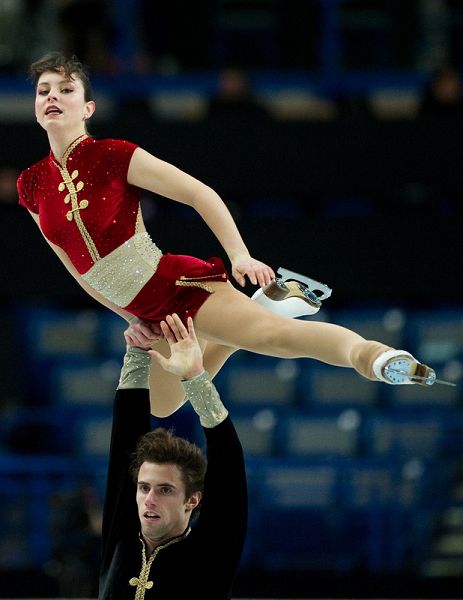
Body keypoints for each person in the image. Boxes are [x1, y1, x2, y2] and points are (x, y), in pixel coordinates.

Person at [17, 52, 439, 418]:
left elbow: (200, 193)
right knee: (161, 404)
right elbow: (74, 266)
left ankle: (374, 356)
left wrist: (239, 257)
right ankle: (264, 309)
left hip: (174, 287)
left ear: (88, 107)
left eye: (66, 89)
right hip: (146, 311)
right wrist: (131, 318)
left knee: (274, 338)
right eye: (44, 91)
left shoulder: (113, 154)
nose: (52, 96)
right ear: (36, 109)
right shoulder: (31, 185)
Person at [100, 313, 247, 599]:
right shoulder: (123, 537)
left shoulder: (212, 552)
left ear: (192, 499)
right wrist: (137, 351)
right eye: (144, 488)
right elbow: (124, 445)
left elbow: (228, 464)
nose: (149, 499)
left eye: (165, 489)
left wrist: (195, 378)